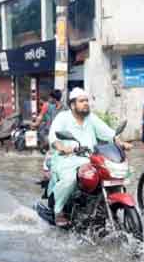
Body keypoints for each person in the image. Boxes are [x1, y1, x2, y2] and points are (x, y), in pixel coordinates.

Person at [47, 88, 132, 227]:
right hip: (67, 159)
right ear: (73, 104)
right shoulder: (63, 117)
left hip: (89, 158)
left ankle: (104, 206)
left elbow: (109, 134)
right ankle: (59, 212)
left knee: (111, 174)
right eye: (81, 101)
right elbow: (53, 137)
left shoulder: (91, 118)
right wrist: (62, 147)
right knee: (70, 179)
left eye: (86, 100)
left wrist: (121, 143)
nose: (86, 103)